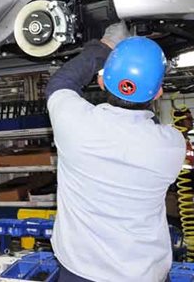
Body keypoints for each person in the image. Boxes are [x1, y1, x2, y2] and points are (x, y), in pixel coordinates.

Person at [45, 22, 186, 282]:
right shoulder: (172, 145)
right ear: (158, 92)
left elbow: (61, 82)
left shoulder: (76, 125)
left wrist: (104, 47)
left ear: (101, 81)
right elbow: (149, 126)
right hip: (145, 274)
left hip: (81, 272)